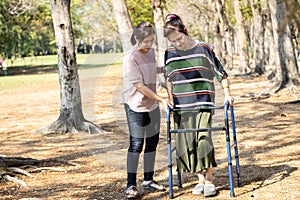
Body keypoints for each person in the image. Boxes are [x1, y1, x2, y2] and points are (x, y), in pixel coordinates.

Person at [163, 14, 234, 197]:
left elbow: (220, 72)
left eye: (178, 38)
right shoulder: (169, 54)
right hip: (180, 105)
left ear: (185, 32)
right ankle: (199, 180)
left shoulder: (202, 48)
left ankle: (209, 179)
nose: (177, 43)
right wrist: (169, 98)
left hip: (203, 101)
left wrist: (228, 93)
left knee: (203, 140)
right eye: (173, 41)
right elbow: (169, 78)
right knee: (187, 144)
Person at [121, 21, 169, 199]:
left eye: (152, 41)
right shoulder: (130, 58)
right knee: (136, 144)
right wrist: (162, 99)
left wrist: (165, 69)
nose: (149, 45)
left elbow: (150, 69)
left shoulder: (152, 52)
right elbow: (139, 86)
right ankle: (130, 185)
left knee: (152, 142)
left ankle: (148, 180)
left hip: (152, 104)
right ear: (137, 39)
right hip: (136, 105)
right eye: (146, 42)